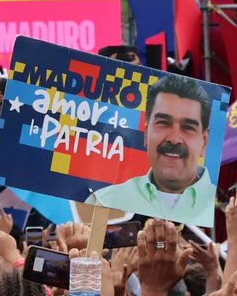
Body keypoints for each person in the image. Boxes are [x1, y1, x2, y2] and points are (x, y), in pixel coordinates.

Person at [88, 74, 216, 224]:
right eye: (163, 123)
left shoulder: (226, 213)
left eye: (188, 128)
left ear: (204, 141)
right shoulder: (103, 201)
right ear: (146, 133)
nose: (174, 139)